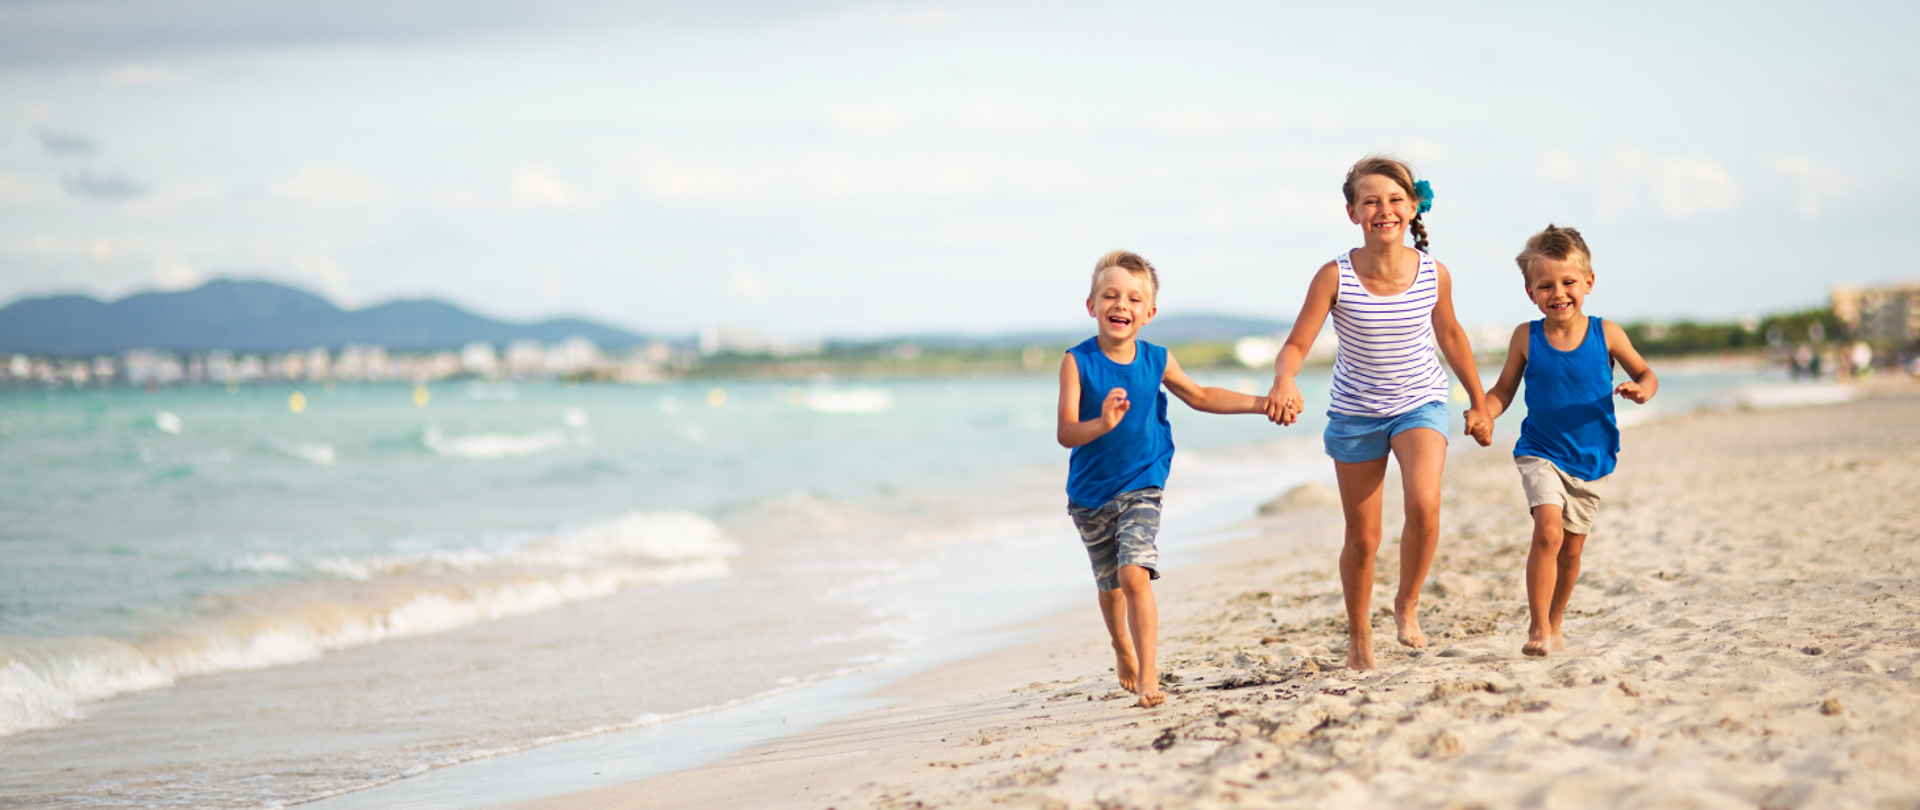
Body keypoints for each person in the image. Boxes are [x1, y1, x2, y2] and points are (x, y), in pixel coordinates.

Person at [1264, 155, 1492, 671]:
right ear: (1352, 213)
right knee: (1363, 538)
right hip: (1355, 413)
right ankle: (1359, 632)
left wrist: (1478, 401)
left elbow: (1451, 336)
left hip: (1420, 402)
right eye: (1370, 201)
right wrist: (1284, 378)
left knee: (1424, 502)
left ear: (1413, 208)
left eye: (1394, 200)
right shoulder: (1333, 276)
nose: (1383, 210)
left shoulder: (1434, 273)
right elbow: (1297, 344)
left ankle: (1407, 603)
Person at [1058, 250, 1270, 707]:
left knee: (1135, 573)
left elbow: (1200, 395)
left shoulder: (1157, 359)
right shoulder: (1076, 362)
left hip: (1143, 481)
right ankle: (1122, 649)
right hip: (1090, 495)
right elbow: (1065, 432)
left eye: (1134, 298)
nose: (1122, 304)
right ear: (1091, 305)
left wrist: (1261, 402)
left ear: (1149, 313)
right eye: (1110, 295)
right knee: (1111, 585)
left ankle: (1151, 676)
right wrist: (1101, 424)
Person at [1482, 224, 1658, 657]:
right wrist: (1482, 411)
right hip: (1540, 450)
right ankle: (1538, 626)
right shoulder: (1527, 337)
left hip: (1592, 459)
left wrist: (1642, 391)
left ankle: (1556, 621)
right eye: (1545, 286)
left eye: (1568, 283)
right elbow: (1504, 390)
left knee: (1571, 553)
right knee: (1547, 530)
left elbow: (1647, 374)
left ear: (1588, 283)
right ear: (1531, 292)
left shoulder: (1607, 333)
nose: (1558, 293)